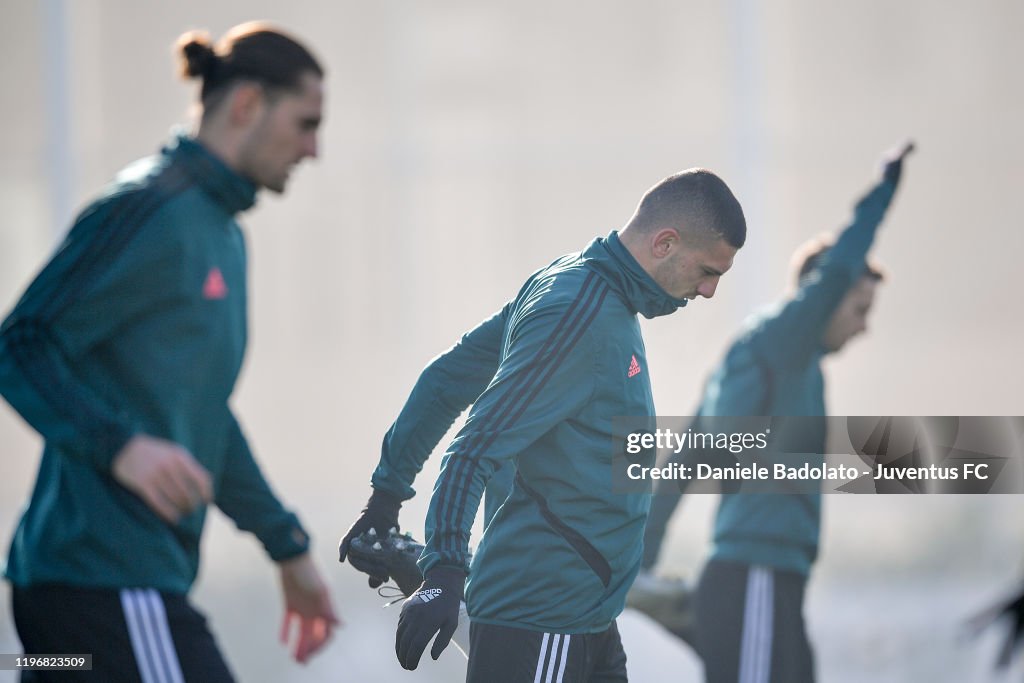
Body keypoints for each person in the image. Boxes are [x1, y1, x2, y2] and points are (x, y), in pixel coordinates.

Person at [0, 22, 338, 682]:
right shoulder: (149, 210)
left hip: (102, 594)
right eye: (305, 122)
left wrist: (287, 547)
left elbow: (206, 413)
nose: (314, 148)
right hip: (99, 585)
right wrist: (120, 445)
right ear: (246, 105)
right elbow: (20, 343)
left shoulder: (221, 233)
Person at [339, 169, 747, 680]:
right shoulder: (578, 311)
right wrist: (443, 568)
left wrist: (386, 497)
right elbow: (474, 447)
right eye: (709, 271)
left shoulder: (590, 292)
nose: (709, 291)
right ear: (665, 243)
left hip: (587, 620)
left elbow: (446, 380)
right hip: (545, 621)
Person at [632, 142, 913, 683]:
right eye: (859, 307)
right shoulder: (784, 340)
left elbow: (685, 460)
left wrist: (640, 563)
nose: (864, 326)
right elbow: (837, 272)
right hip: (752, 576)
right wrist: (884, 190)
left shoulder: (779, 364)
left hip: (769, 581)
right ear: (822, 299)